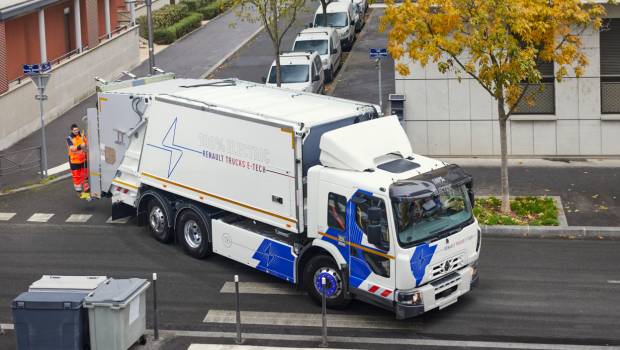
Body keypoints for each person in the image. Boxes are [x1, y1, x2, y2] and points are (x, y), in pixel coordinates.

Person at [67, 124, 90, 200]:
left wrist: (85, 145)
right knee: (77, 177)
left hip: (83, 160)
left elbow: (87, 144)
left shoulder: (82, 136)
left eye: (77, 130)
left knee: (85, 175)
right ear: (72, 131)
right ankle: (79, 192)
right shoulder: (69, 138)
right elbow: (72, 149)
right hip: (74, 161)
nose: (76, 131)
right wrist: (80, 146)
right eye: (74, 130)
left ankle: (87, 191)